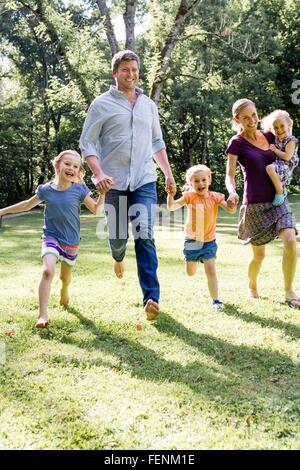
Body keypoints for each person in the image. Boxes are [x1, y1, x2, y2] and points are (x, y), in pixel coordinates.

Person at [79, 50, 176, 321]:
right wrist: (97, 174)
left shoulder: (148, 105)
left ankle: (151, 298)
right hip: (113, 183)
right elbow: (87, 143)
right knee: (118, 238)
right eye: (125, 70)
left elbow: (157, 143)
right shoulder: (101, 104)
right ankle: (118, 256)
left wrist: (168, 174)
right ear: (115, 73)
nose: (130, 74)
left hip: (144, 179)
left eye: (134, 69)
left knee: (144, 234)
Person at [0, 150, 104, 328]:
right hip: (51, 237)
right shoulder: (46, 190)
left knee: (65, 278)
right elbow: (27, 205)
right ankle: (42, 315)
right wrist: (2, 211)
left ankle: (64, 289)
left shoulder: (79, 190)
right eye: (67, 164)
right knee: (47, 271)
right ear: (57, 166)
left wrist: (103, 193)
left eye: (75, 166)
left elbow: (97, 211)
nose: (71, 168)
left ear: (79, 171)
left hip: (71, 242)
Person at [225, 98, 299, 307]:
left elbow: (289, 150)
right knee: (259, 256)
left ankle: (289, 291)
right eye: (246, 118)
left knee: (291, 241)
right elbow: (230, 175)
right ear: (237, 120)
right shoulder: (236, 143)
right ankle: (252, 284)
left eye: (254, 115)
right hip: (255, 204)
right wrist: (232, 192)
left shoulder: (269, 135)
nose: (252, 120)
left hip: (278, 200)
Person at [167, 164, 236, 311]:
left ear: (209, 180)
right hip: (192, 241)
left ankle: (216, 300)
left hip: (209, 241)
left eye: (204, 180)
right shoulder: (189, 197)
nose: (201, 183)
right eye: (196, 181)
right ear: (191, 184)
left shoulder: (215, 197)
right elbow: (171, 207)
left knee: (211, 270)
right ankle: (195, 259)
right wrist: (170, 196)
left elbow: (230, 210)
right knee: (191, 273)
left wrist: (233, 202)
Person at [261, 110, 299, 206]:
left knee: (269, 168)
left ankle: (280, 192)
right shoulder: (277, 139)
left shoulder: (291, 140)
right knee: (268, 169)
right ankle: (282, 188)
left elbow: (287, 157)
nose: (279, 129)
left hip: (287, 165)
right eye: (276, 128)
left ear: (289, 125)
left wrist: (274, 150)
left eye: (282, 126)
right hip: (280, 164)